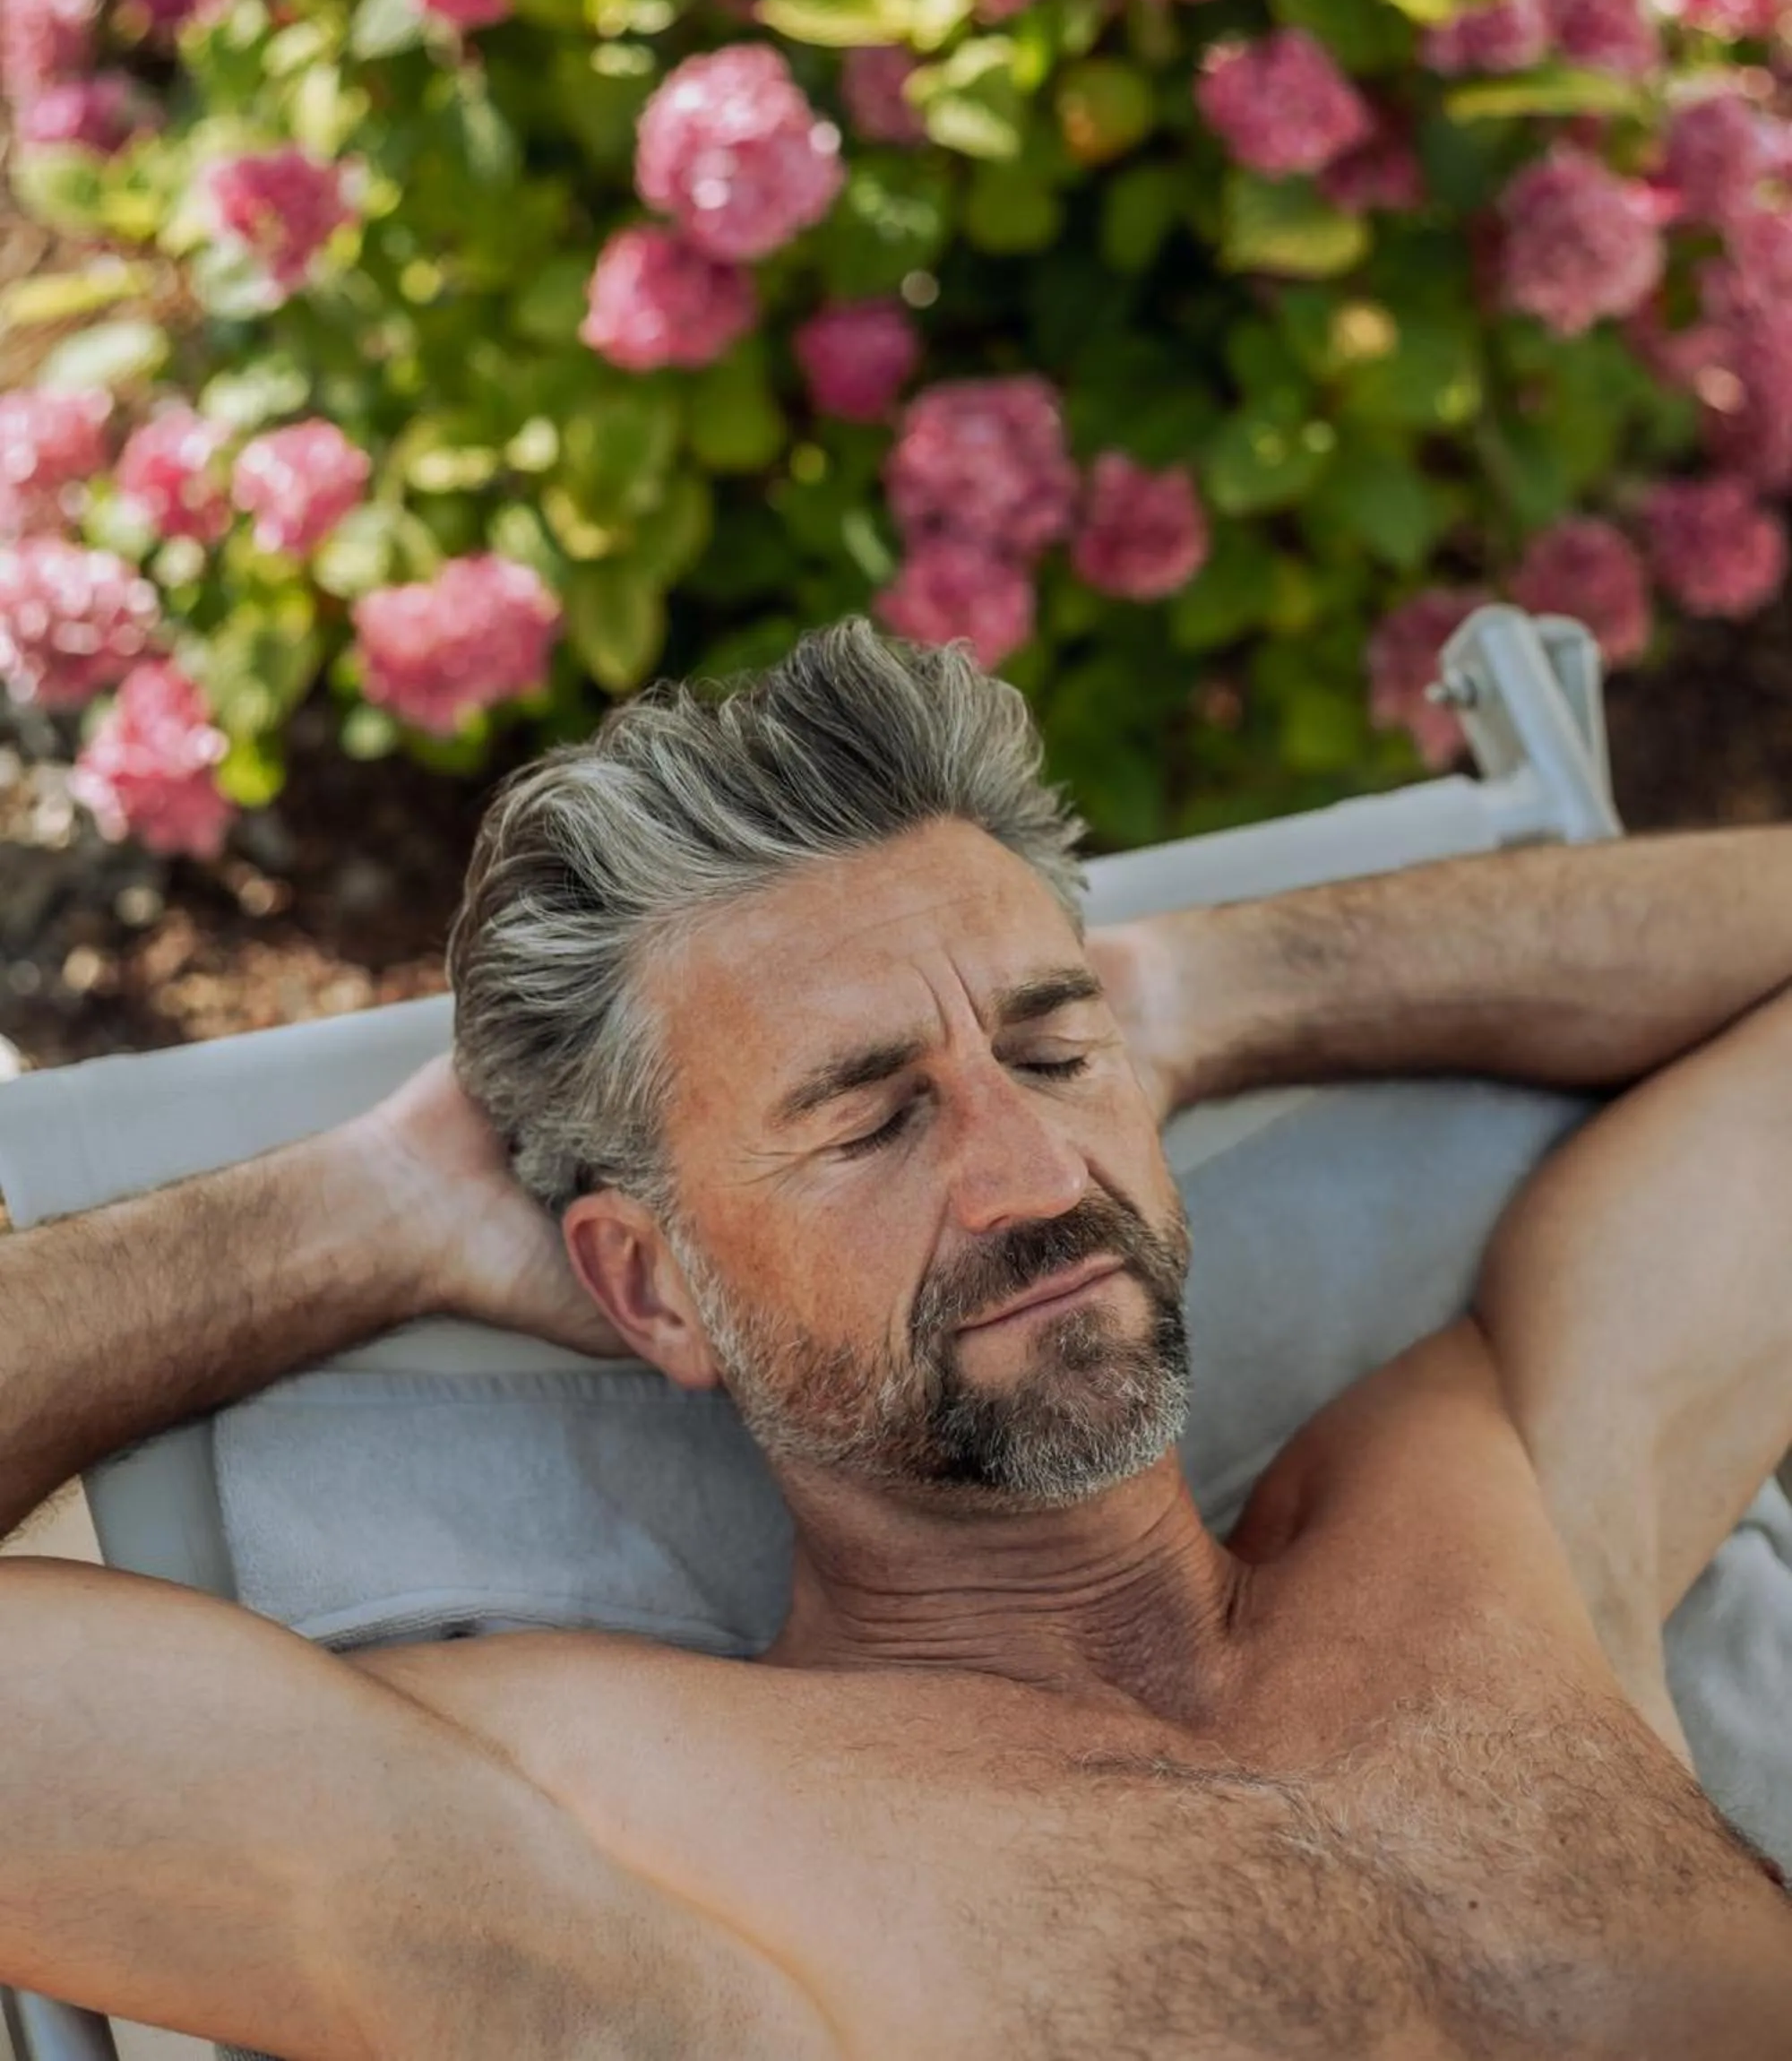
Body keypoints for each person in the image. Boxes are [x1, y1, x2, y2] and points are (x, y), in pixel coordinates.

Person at [2, 616, 1791, 2061]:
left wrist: (1198, 992)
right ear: (650, 1291)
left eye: (1049, 1060)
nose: (1027, 1176)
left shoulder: (1500, 1516)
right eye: (870, 1120)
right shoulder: (599, 1833)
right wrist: (362, 1224)